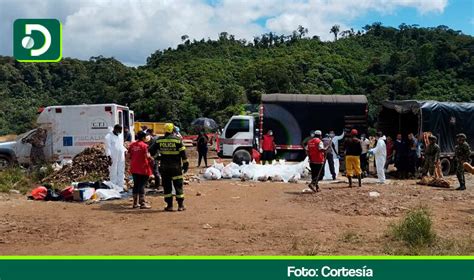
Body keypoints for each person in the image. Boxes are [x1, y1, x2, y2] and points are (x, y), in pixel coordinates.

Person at [149, 123, 189, 211]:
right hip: (176, 167)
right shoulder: (177, 140)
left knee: (167, 186)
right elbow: (183, 155)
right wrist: (186, 165)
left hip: (164, 167)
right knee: (178, 185)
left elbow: (151, 150)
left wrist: (157, 157)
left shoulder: (159, 140)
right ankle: (180, 205)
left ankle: (169, 206)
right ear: (172, 130)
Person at [127, 131, 153, 209]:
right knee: (142, 185)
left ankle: (135, 203)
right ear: (143, 138)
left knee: (136, 185)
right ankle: (142, 203)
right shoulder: (145, 146)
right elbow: (147, 156)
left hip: (134, 167)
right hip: (143, 168)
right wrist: (152, 159)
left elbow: (128, 156)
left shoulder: (132, 145)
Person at [104, 124, 126, 191]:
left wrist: (125, 151)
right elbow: (107, 148)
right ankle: (114, 186)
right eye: (119, 130)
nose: (121, 131)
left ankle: (120, 186)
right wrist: (109, 157)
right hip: (113, 156)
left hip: (121, 155)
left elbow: (121, 145)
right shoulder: (108, 137)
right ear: (115, 129)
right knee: (113, 170)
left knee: (121, 170)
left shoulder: (120, 136)